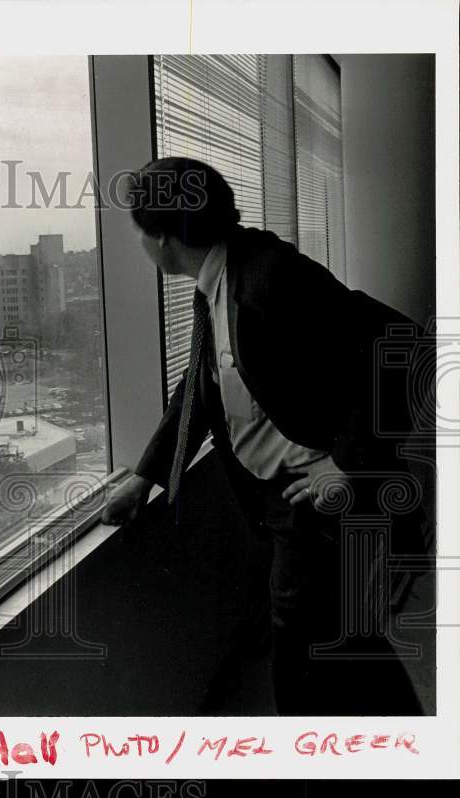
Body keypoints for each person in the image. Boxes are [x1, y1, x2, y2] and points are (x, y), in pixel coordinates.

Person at [102, 156, 430, 715]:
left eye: (139, 231)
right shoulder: (218, 278)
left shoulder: (269, 275)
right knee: (345, 641)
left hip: (314, 499)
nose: (139, 243)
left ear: (160, 238)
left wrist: (346, 464)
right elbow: (200, 387)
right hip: (283, 501)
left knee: (300, 653)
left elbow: (399, 344)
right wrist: (143, 475)